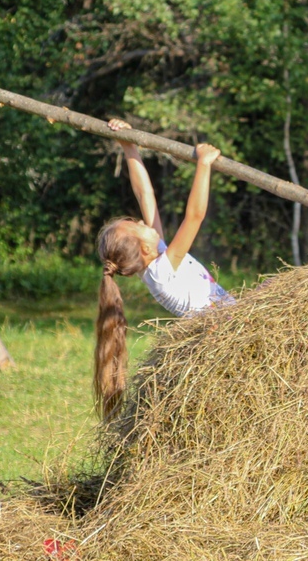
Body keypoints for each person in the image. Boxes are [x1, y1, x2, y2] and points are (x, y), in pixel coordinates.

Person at [94, 119, 234, 417]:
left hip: (232, 319)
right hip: (227, 331)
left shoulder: (155, 261)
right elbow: (194, 217)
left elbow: (146, 196)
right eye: (137, 226)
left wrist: (129, 146)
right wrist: (204, 165)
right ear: (142, 248)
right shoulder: (162, 272)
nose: (143, 223)